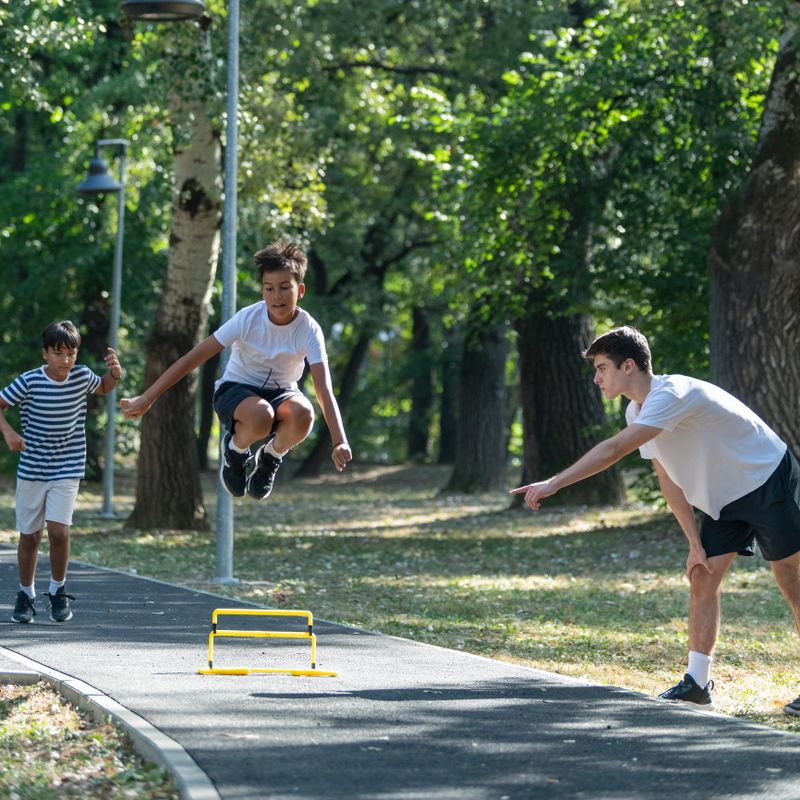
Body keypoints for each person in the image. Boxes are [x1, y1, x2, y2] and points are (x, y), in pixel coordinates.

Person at [510, 325, 800, 713]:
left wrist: (555, 483)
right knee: (702, 575)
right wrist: (694, 544)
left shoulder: (670, 394)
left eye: (601, 368)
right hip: (723, 499)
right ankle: (697, 683)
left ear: (628, 366)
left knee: (792, 579)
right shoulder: (637, 410)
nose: (596, 379)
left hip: (765, 478)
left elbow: (614, 449)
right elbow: (668, 478)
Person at [120, 239, 352, 500]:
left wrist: (339, 440)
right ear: (262, 291)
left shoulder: (309, 329)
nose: (277, 296)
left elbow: (323, 389)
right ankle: (235, 451)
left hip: (283, 392)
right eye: (269, 288)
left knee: (304, 414)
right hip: (237, 390)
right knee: (261, 416)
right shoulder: (247, 319)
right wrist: (148, 397)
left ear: (300, 290)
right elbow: (191, 358)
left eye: (285, 288)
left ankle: (270, 457)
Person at [0, 321, 123, 624]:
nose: (65, 360)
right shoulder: (29, 381)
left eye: (71, 353)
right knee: (30, 537)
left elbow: (104, 387)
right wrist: (9, 433)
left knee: (59, 531)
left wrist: (115, 375)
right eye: (58, 353)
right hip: (32, 467)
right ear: (45, 354)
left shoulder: (81, 377)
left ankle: (57, 591)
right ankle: (26, 594)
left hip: (67, 465)